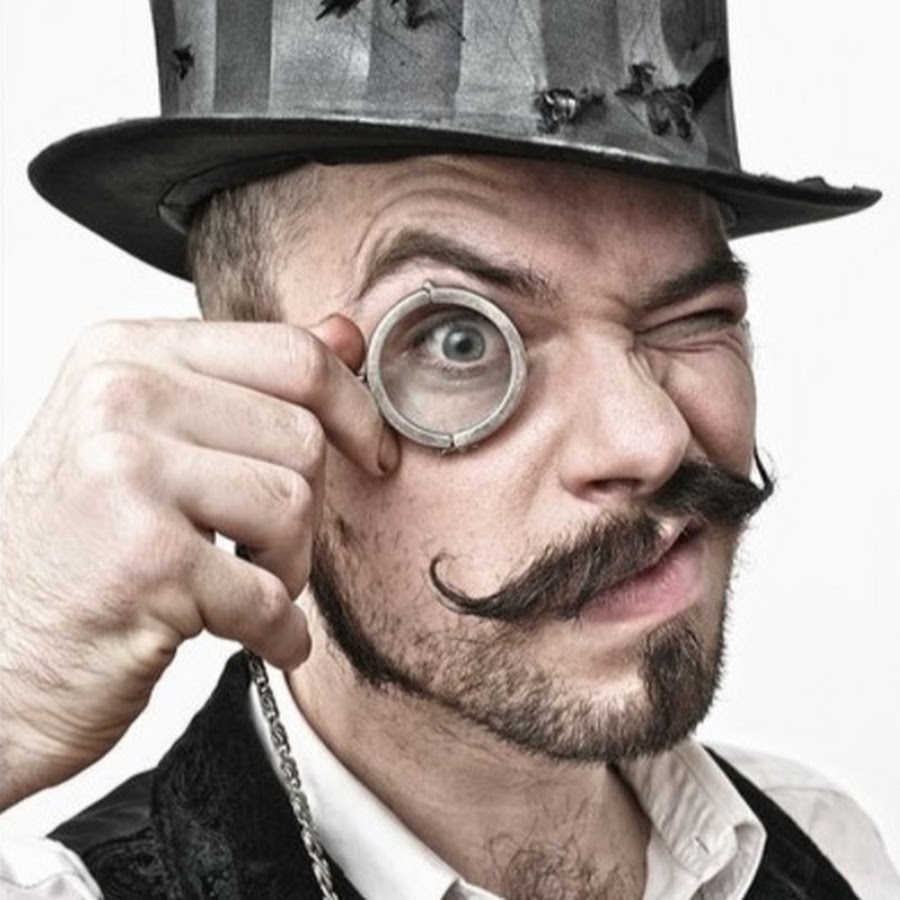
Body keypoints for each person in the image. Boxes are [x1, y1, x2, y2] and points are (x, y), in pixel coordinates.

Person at [1, 1, 898, 898]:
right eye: (457, 340)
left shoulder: (829, 847)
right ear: (244, 396)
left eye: (690, 316)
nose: (650, 439)